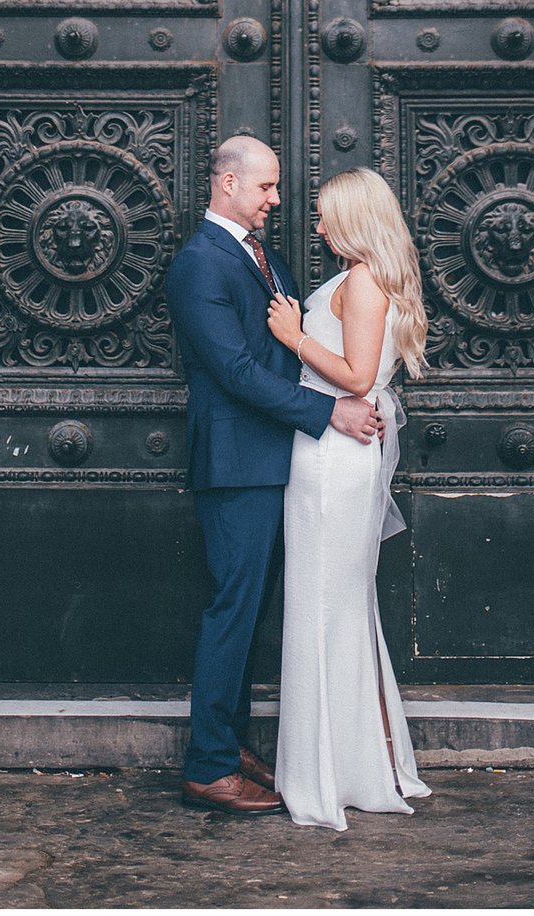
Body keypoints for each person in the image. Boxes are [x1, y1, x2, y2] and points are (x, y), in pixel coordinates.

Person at [166, 135, 382, 815]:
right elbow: (233, 372)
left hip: (274, 457)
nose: (276, 200)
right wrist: (330, 413)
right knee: (232, 608)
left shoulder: (260, 254)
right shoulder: (199, 263)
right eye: (265, 188)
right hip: (235, 462)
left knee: (252, 609)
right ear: (227, 183)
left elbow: (289, 344)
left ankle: (228, 745)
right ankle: (207, 767)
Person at [263, 165, 434, 829]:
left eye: (329, 213)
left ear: (356, 219)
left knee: (323, 607)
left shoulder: (362, 281)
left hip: (334, 460)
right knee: (336, 608)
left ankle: (326, 776)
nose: (320, 224)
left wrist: (292, 335)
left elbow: (359, 378)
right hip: (334, 454)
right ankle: (351, 764)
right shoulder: (372, 276)